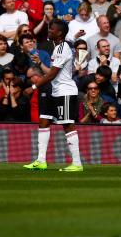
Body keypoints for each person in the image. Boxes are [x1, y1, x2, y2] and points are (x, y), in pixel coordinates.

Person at [23, 20, 83, 172]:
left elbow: (51, 75)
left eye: (52, 29)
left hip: (65, 91)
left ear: (60, 33)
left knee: (67, 125)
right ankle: (41, 160)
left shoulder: (63, 48)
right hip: (55, 91)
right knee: (43, 120)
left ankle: (77, 163)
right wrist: (40, 63)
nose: (49, 31)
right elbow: (51, 71)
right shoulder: (57, 48)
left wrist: (34, 87)